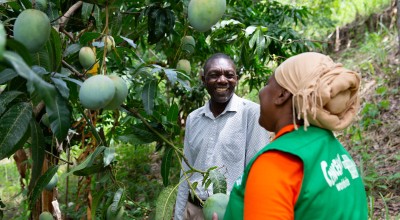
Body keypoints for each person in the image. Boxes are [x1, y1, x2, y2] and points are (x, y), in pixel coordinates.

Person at [224, 52, 368, 219]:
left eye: (267, 84)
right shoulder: (333, 149)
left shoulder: (276, 164)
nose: (261, 93)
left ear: (281, 95)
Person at [174, 53, 270, 220]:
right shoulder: (193, 118)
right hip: (193, 211)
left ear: (236, 79)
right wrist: (178, 215)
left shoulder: (251, 113)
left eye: (229, 75)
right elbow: (186, 171)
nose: (222, 80)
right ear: (203, 79)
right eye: (214, 75)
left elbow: (257, 175)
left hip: (230, 213)